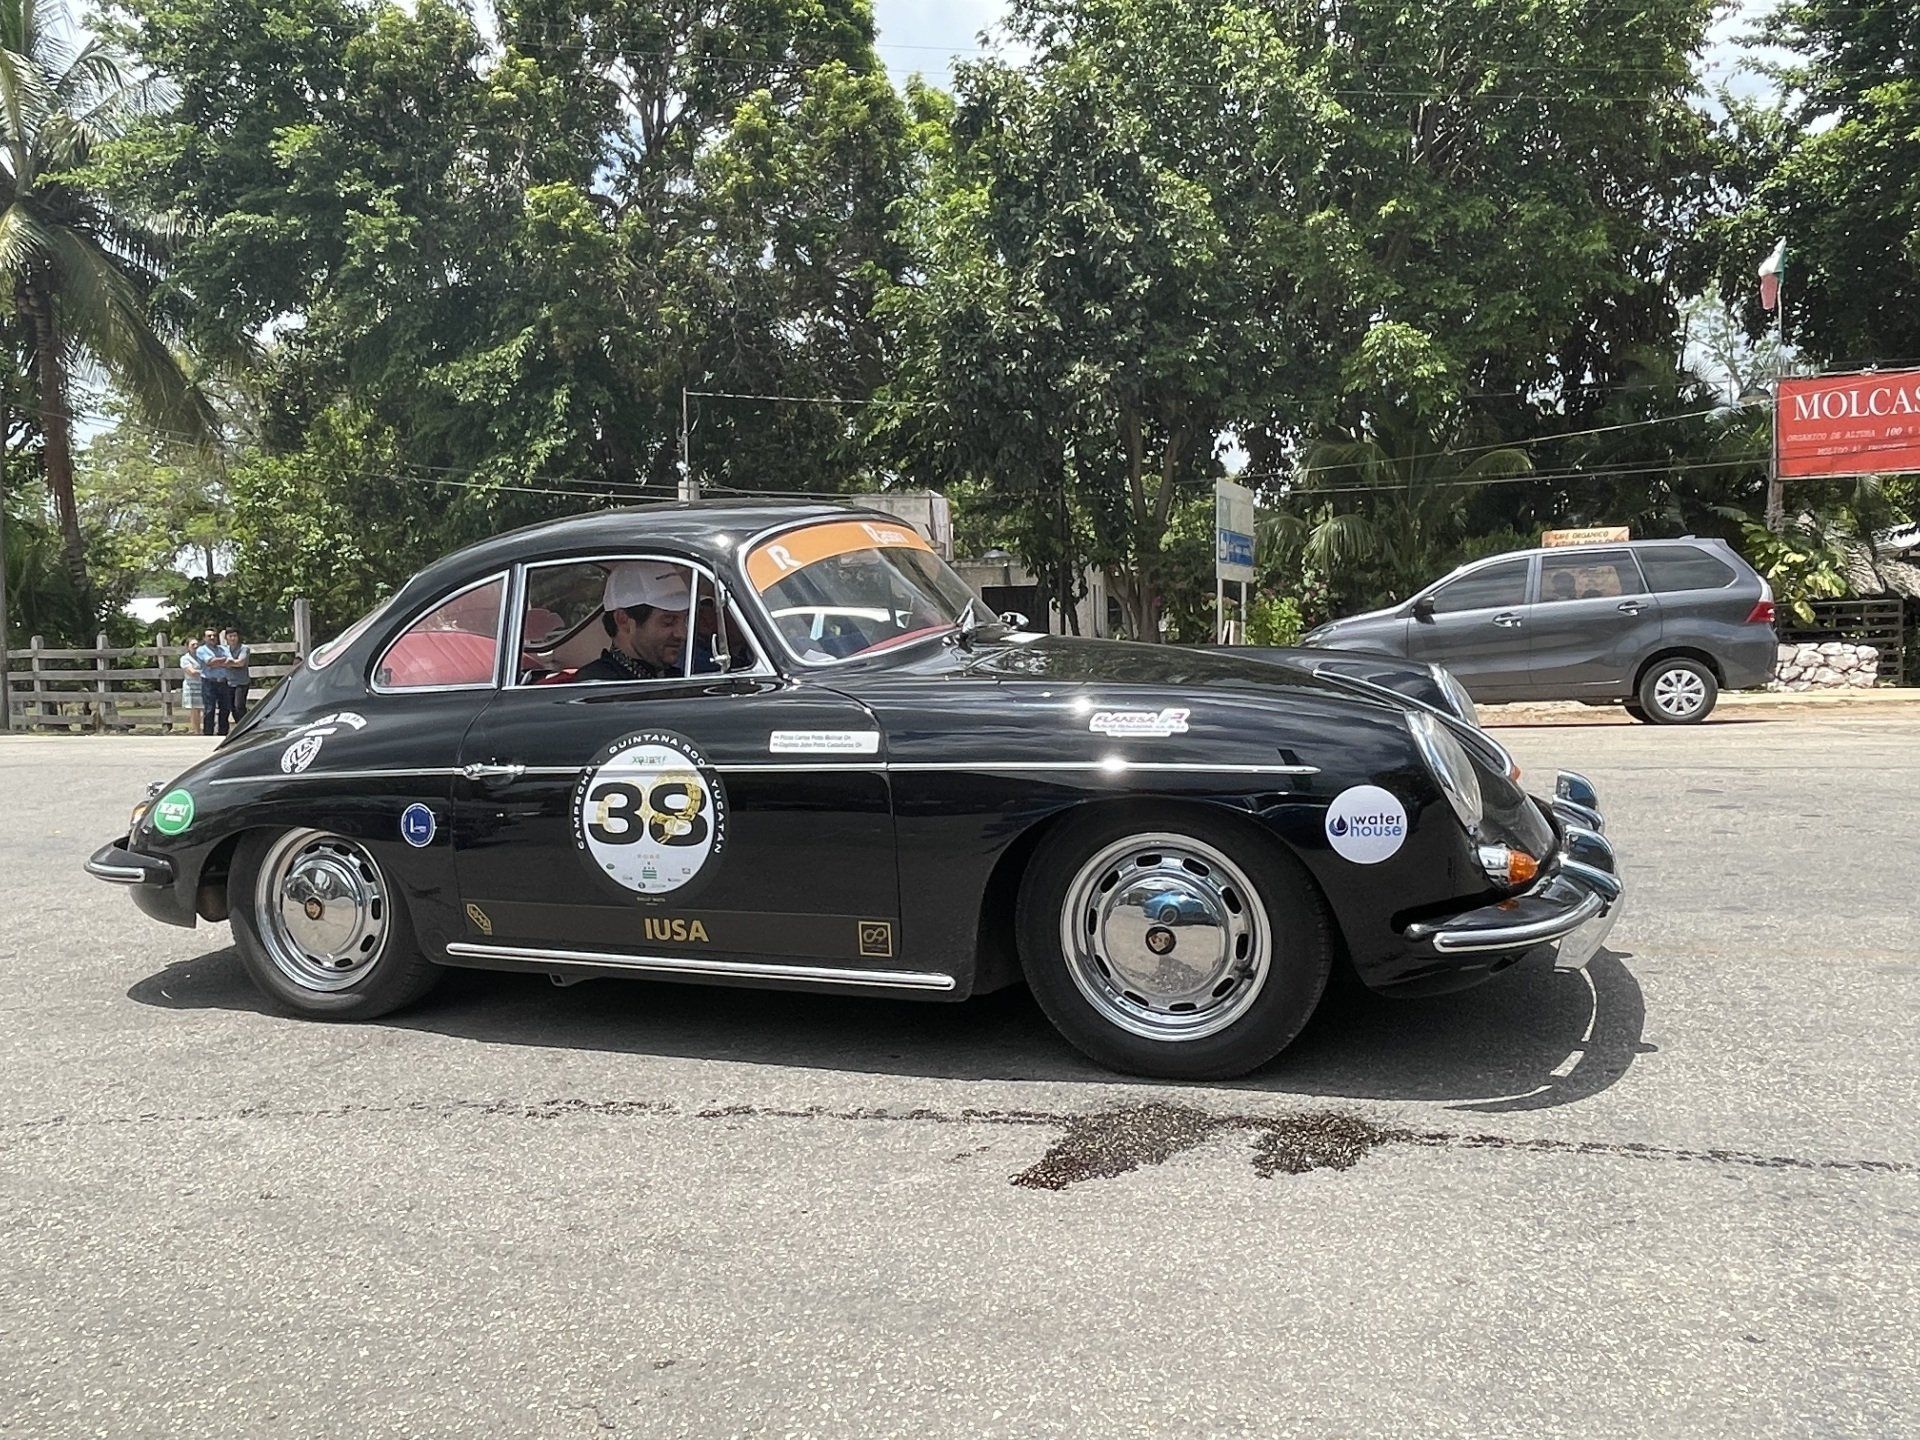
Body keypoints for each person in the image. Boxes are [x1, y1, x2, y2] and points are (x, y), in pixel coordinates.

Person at [573, 562, 697, 683]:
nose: (682, 633)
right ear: (623, 621)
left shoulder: (675, 676)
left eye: (685, 620)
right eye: (668, 621)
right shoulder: (599, 684)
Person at [192, 628, 225, 735]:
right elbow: (210, 662)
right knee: (210, 709)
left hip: (223, 682)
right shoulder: (201, 650)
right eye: (209, 636)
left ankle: (223, 732)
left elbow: (231, 661)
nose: (212, 637)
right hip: (209, 682)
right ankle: (208, 733)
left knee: (225, 708)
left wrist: (217, 661)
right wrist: (223, 660)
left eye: (214, 635)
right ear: (204, 638)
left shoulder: (222, 649)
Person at [221, 627, 252, 722]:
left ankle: (244, 724)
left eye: (235, 636)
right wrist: (230, 662)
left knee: (239, 706)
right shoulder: (224, 649)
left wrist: (227, 663)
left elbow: (240, 663)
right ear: (226, 638)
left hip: (241, 682)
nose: (233, 638)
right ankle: (239, 725)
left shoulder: (244, 648)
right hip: (228, 682)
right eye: (230, 636)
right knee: (232, 708)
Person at [179, 640, 204, 735]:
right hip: (191, 686)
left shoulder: (201, 657)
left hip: (202, 685)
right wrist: (206, 672)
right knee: (194, 709)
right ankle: (196, 731)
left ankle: (203, 729)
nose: (195, 646)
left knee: (203, 708)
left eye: (197, 644)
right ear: (187, 647)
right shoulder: (185, 659)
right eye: (193, 644)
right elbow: (192, 672)